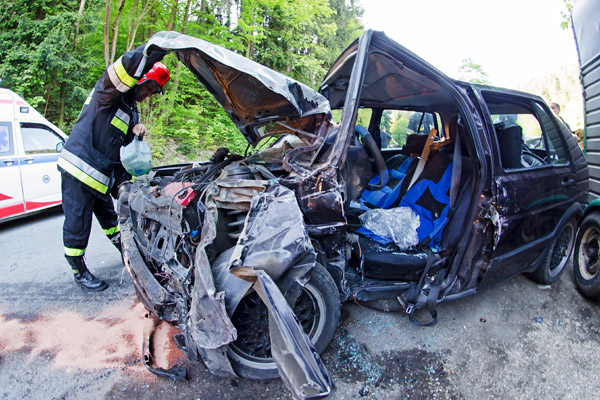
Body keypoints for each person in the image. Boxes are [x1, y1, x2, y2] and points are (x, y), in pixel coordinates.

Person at [57, 44, 170, 291]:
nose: (150, 94)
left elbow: (120, 150)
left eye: (155, 92)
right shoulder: (109, 94)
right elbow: (122, 70)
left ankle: (128, 255)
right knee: (78, 224)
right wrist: (155, 50)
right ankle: (78, 271)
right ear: (142, 78)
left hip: (99, 177)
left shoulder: (131, 111)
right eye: (151, 88)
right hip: (79, 171)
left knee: (111, 220)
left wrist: (135, 134)